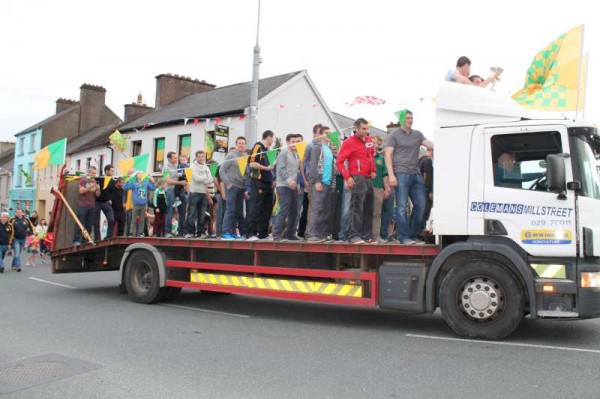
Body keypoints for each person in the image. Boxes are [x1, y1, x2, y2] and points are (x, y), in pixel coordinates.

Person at [384, 110, 433, 245]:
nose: (410, 120)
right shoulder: (394, 135)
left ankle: (414, 235)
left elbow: (429, 144)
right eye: (407, 118)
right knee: (401, 207)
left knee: (421, 205)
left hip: (415, 173)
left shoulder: (417, 134)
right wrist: (391, 175)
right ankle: (403, 237)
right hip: (400, 172)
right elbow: (388, 154)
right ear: (401, 119)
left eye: (411, 118)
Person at [336, 118, 376, 244]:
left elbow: (370, 155)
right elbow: (339, 162)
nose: (366, 131)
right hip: (357, 176)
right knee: (356, 207)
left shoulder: (369, 140)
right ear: (356, 129)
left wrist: (373, 169)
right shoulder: (349, 142)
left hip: (368, 176)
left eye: (367, 128)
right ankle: (353, 235)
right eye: (363, 129)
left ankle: (367, 235)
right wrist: (347, 177)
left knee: (369, 207)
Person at [307, 127, 335, 242]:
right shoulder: (317, 148)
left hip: (328, 183)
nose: (329, 135)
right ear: (321, 135)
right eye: (326, 133)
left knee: (325, 210)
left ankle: (322, 234)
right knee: (316, 209)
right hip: (319, 182)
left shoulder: (329, 149)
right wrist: (317, 181)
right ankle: (312, 234)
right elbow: (313, 166)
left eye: (330, 133)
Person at [246, 130, 275, 240]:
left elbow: (271, 167)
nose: (272, 141)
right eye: (272, 139)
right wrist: (266, 168)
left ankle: (263, 233)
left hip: (268, 183)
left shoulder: (268, 151)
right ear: (268, 137)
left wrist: (272, 178)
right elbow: (252, 163)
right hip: (258, 181)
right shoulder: (258, 146)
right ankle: (251, 233)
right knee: (256, 207)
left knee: (267, 209)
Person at [273, 134, 302, 241]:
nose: (295, 143)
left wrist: (297, 183)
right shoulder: (283, 154)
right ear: (287, 142)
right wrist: (289, 180)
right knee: (284, 210)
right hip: (283, 185)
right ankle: (276, 234)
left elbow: (296, 171)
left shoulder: (295, 154)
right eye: (292, 141)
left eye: (296, 141)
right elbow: (280, 169)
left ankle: (290, 234)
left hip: (292, 187)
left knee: (294, 211)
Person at [297, 124, 323, 238]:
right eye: (320, 133)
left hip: (320, 180)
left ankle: (314, 232)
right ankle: (302, 233)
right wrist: (304, 179)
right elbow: (302, 162)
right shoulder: (309, 146)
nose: (322, 135)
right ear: (314, 133)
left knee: (316, 207)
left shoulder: (323, 146)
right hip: (310, 180)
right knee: (308, 207)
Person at [220, 137, 247, 240]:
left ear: (245, 145)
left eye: (243, 143)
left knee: (238, 212)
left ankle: (233, 233)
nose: (241, 145)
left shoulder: (244, 157)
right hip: (232, 187)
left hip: (241, 187)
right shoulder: (231, 155)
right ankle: (225, 233)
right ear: (236, 144)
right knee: (230, 210)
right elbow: (222, 170)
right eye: (239, 143)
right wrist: (227, 183)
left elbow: (244, 173)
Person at [186, 150, 213, 238]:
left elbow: (211, 179)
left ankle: (200, 232)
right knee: (192, 213)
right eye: (199, 157)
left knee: (202, 214)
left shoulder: (206, 167)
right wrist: (206, 178)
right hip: (194, 192)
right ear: (196, 157)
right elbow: (196, 178)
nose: (201, 158)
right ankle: (190, 232)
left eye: (203, 157)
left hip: (204, 193)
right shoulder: (192, 167)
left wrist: (204, 178)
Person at [124, 171, 156, 237]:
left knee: (142, 219)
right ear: (136, 176)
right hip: (136, 204)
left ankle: (141, 232)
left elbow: (153, 188)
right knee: (134, 219)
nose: (140, 174)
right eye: (139, 173)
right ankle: (131, 233)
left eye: (141, 173)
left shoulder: (146, 183)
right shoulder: (134, 184)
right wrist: (127, 181)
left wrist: (152, 181)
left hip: (143, 204)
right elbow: (125, 187)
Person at [371, 135, 391, 243]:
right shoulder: (364, 156)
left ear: (378, 145)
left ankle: (375, 236)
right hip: (365, 188)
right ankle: (363, 235)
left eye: (376, 143)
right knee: (364, 212)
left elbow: (385, 175)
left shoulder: (381, 159)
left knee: (377, 213)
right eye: (372, 142)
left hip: (378, 188)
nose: (374, 144)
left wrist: (387, 188)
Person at [163, 151, 187, 237]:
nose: (176, 159)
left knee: (183, 211)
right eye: (174, 158)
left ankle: (182, 231)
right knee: (171, 210)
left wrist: (185, 183)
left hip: (180, 190)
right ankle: (167, 232)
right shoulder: (165, 167)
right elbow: (167, 180)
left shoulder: (179, 166)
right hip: (170, 190)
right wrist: (180, 183)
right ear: (169, 158)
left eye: (177, 158)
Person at [73, 166, 98, 246]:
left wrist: (98, 189)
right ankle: (76, 241)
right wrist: (90, 186)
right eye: (93, 173)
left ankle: (85, 241)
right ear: (89, 172)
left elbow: (97, 195)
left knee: (89, 225)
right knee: (80, 223)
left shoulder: (95, 181)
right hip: (83, 205)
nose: (94, 175)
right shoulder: (83, 179)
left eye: (95, 173)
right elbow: (81, 191)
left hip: (92, 205)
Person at [94, 164, 116, 240]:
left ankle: (108, 237)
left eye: (113, 171)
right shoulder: (99, 178)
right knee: (96, 222)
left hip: (106, 203)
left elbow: (112, 193)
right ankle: (97, 239)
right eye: (111, 171)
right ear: (106, 171)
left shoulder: (113, 181)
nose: (113, 172)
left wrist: (110, 200)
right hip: (97, 202)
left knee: (111, 219)